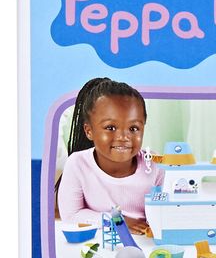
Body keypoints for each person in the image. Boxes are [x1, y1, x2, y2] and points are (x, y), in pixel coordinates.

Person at [56, 78, 163, 237]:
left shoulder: (155, 165)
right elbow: (71, 215)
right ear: (89, 131)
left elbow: (167, 209)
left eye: (133, 128)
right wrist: (118, 221)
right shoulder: (77, 164)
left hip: (146, 241)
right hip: (99, 241)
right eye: (111, 128)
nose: (123, 137)